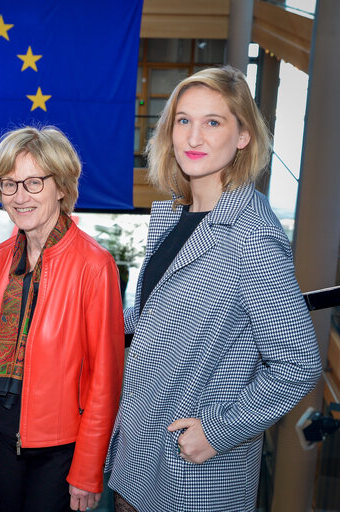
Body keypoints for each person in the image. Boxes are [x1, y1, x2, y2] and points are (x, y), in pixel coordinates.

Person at [106, 66, 322, 512]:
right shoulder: (179, 217)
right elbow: (156, 317)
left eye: (213, 122)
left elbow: (298, 363)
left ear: (243, 135)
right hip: (139, 459)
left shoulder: (251, 234)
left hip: (191, 476)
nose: (193, 137)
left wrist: (216, 431)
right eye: (183, 121)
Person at [0, 126, 125, 512]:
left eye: (33, 182)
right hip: (3, 434)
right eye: (9, 183)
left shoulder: (95, 265)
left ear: (61, 187)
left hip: (59, 449)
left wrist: (88, 469)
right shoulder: (0, 258)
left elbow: (105, 379)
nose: (19, 196)